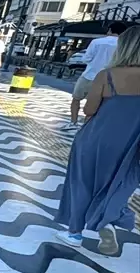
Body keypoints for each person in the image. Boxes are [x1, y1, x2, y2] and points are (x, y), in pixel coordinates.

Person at [55, 24, 140, 254]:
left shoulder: (107, 75)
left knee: (82, 182)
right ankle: (109, 220)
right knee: (118, 184)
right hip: (132, 145)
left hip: (96, 138)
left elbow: (90, 110)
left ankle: (74, 233)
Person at [67, 22, 126, 131]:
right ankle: (86, 127)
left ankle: (73, 122)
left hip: (89, 75)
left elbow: (86, 59)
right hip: (108, 79)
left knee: (76, 99)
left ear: (110, 30)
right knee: (96, 105)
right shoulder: (122, 45)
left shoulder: (97, 42)